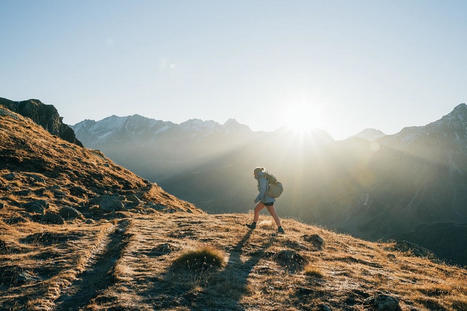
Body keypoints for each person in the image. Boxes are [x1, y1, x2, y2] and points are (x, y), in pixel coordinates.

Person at [246, 167, 285, 234]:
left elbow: (263, 190)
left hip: (267, 199)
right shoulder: (263, 176)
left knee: (273, 213)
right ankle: (254, 225)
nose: (254, 175)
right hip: (266, 199)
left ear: (256, 173)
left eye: (254, 173)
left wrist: (257, 199)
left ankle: (280, 229)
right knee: (257, 209)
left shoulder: (261, 178)